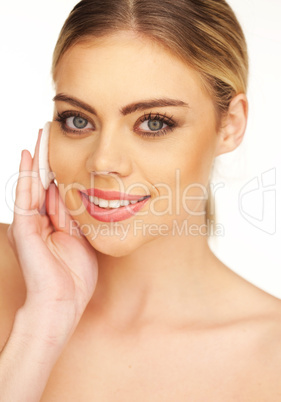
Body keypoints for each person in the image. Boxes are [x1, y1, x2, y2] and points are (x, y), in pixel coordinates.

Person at [0, 0, 280, 400]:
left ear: (230, 126)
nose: (103, 161)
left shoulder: (272, 359)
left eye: (153, 123)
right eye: (78, 120)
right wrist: (43, 323)